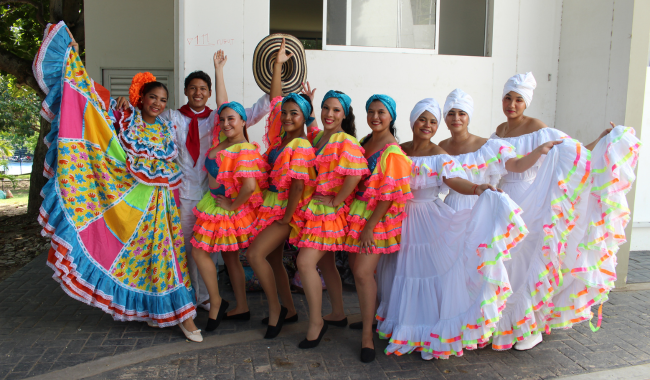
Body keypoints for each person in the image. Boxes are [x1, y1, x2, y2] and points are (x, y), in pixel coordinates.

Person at [34, 22, 201, 341]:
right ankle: (173, 314)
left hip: (162, 207)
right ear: (142, 98)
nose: (158, 103)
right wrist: (79, 73)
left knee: (167, 257)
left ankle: (176, 313)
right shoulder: (126, 120)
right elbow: (97, 117)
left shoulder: (167, 129)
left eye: (163, 100)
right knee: (142, 259)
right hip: (133, 205)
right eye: (153, 97)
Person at [488, 72, 640, 350]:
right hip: (504, 201)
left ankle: (528, 327)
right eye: (508, 98)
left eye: (518, 100)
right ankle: (502, 323)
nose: (512, 104)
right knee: (505, 263)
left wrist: (601, 140)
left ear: (526, 103)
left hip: (530, 200)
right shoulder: (499, 130)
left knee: (526, 262)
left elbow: (576, 152)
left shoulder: (540, 129)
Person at [115, 51, 271, 314]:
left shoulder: (217, 119)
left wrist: (275, 85)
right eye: (193, 88)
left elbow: (255, 111)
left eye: (203, 88)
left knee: (210, 250)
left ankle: (208, 298)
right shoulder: (172, 117)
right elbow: (146, 121)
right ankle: (191, 297)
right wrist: (126, 106)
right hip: (183, 195)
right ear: (186, 91)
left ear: (209, 93)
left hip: (212, 197)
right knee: (186, 249)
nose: (198, 92)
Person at [376, 98, 528, 360]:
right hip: (398, 218)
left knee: (424, 273)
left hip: (427, 220)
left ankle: (426, 330)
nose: (427, 125)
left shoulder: (439, 154)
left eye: (433, 121)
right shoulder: (398, 150)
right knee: (399, 271)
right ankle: (404, 325)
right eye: (423, 119)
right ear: (413, 121)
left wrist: (478, 188)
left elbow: (454, 180)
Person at [245, 40, 317, 339]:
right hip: (272, 205)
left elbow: (300, 184)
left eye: (294, 114)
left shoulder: (301, 144)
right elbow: (277, 99)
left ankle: (274, 309)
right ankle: (288, 309)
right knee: (272, 259)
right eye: (285, 114)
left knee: (255, 254)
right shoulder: (280, 141)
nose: (287, 117)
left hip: (289, 210)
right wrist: (277, 66)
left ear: (305, 118)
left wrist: (287, 218)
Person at [295, 89, 370, 349]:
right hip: (314, 209)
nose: (329, 114)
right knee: (326, 264)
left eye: (336, 110)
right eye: (327, 108)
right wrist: (311, 106)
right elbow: (313, 124)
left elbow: (356, 173)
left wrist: (337, 201)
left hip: (327, 212)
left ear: (345, 114)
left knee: (305, 263)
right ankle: (337, 313)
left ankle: (316, 322)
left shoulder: (345, 140)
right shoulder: (318, 137)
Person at [189, 94, 269, 332]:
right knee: (230, 256)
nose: (226, 123)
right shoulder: (221, 143)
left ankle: (216, 303)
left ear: (243, 121)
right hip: (212, 203)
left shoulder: (243, 148)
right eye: (222, 119)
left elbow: (249, 187)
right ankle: (241, 306)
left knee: (199, 252)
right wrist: (219, 69)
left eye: (231, 119)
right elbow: (223, 101)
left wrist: (232, 206)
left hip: (227, 208)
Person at [342, 95, 412, 363]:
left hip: (376, 219)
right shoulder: (365, 142)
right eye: (370, 112)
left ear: (391, 116)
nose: (375, 117)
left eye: (381, 112)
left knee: (362, 273)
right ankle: (368, 318)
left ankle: (368, 337)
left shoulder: (392, 150)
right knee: (358, 271)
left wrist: (370, 227)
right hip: (357, 214)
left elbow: (389, 194)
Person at [438, 89, 562, 211]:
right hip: (451, 207)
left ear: (468, 117)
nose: (456, 118)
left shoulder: (487, 146)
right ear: (445, 117)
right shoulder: (441, 147)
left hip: (479, 207)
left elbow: (517, 165)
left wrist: (539, 150)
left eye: (462, 113)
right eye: (451, 113)